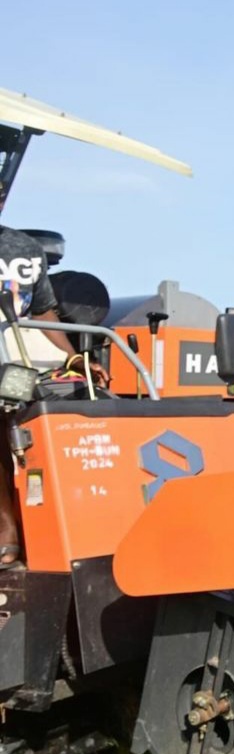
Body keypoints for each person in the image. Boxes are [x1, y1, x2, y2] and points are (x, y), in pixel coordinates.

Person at [0, 224, 108, 568]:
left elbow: (43, 311)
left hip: (14, 361)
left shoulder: (24, 247)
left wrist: (75, 358)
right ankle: (8, 532)